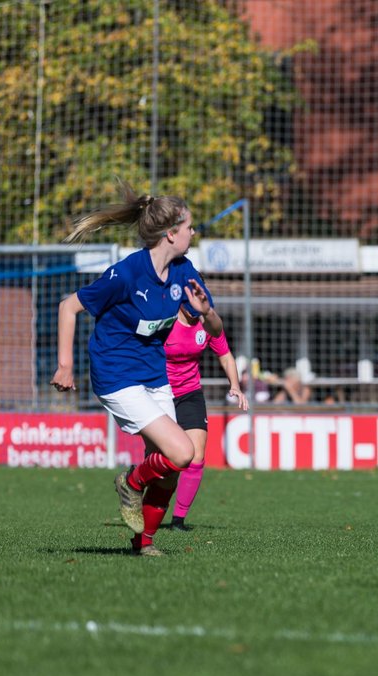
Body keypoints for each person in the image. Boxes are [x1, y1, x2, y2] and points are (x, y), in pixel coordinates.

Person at [51, 182, 221, 557]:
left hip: (152, 372)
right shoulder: (127, 274)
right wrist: (65, 365)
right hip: (116, 373)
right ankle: (129, 483)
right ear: (170, 234)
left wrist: (206, 312)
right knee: (181, 452)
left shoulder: (184, 271)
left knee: (172, 468)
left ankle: (143, 544)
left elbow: (216, 332)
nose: (194, 232)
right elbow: (69, 306)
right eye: (189, 226)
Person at [162, 305, 249, 531]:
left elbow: (226, 356)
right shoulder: (163, 319)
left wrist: (236, 386)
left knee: (196, 456)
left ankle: (178, 520)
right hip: (159, 393)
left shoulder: (207, 324)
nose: (194, 308)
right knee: (164, 460)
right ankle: (135, 483)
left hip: (190, 394)